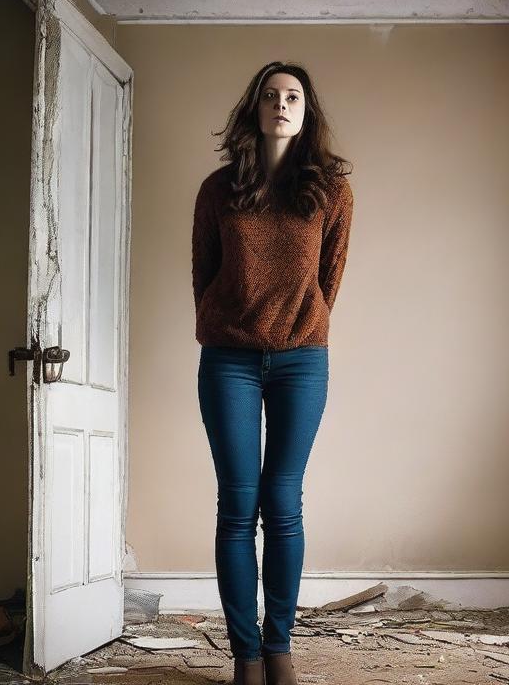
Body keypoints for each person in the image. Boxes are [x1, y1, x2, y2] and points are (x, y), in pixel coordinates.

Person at [191, 61, 354, 685]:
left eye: (293, 97)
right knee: (237, 505)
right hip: (228, 359)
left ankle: (279, 647)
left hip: (301, 360)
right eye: (270, 96)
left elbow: (329, 278)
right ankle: (246, 656)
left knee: (283, 503)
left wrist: (300, 328)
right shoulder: (218, 189)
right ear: (254, 109)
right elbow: (203, 272)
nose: (281, 105)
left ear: (307, 112)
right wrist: (225, 325)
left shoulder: (331, 189)